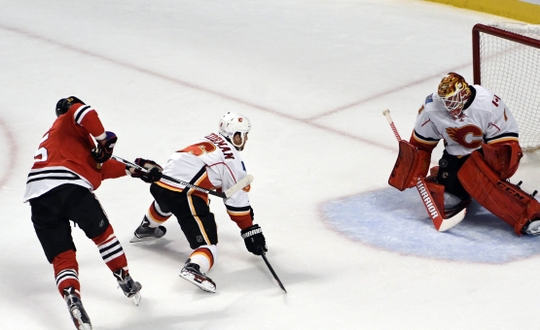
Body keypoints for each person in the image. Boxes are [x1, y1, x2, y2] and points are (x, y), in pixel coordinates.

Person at [23, 96, 162, 330]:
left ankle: (72, 297)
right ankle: (125, 279)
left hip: (38, 199)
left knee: (62, 257)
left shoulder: (66, 144)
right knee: (103, 236)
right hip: (68, 188)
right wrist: (103, 140)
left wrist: (136, 169)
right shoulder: (67, 121)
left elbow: (101, 167)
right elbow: (82, 110)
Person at [130, 111, 267, 293]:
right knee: (208, 245)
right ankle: (195, 268)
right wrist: (249, 230)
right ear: (234, 135)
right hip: (185, 195)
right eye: (244, 135)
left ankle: (146, 227)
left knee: (166, 199)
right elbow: (236, 202)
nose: (246, 139)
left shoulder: (210, 139)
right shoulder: (232, 159)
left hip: (161, 181)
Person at [388, 72, 540, 235]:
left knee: (474, 175)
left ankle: (530, 215)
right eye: (445, 101)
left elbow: (506, 142)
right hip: (456, 157)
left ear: (464, 92)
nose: (449, 105)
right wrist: (414, 164)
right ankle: (461, 185)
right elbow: (421, 144)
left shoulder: (486, 103)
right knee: (446, 202)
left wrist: (489, 165)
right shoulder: (432, 108)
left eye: (452, 100)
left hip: (491, 155)